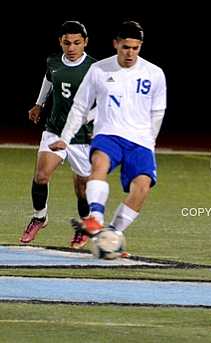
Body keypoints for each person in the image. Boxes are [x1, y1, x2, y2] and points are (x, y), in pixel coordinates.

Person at [49, 21, 167, 244]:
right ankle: (95, 218)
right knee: (99, 165)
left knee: (142, 188)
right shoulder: (99, 70)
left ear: (140, 46)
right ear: (116, 44)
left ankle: (112, 233)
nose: (130, 53)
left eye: (135, 48)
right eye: (125, 47)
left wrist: (150, 141)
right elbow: (81, 106)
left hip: (140, 139)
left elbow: (158, 111)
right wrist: (65, 138)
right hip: (108, 133)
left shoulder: (155, 74)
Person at [20, 21, 97, 248]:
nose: (71, 48)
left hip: (82, 138)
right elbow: (49, 79)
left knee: (82, 189)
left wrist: (85, 118)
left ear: (85, 43)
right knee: (41, 176)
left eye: (76, 43)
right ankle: (39, 217)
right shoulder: (53, 62)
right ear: (60, 42)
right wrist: (38, 104)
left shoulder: (95, 69)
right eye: (66, 43)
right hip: (54, 130)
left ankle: (86, 226)